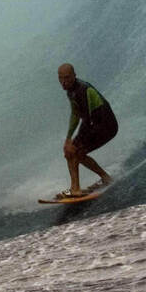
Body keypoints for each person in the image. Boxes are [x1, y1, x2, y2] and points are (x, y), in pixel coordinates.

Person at [57, 62, 116, 199]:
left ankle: (75, 189)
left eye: (67, 78)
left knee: (74, 152)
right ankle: (105, 178)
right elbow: (75, 115)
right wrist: (68, 138)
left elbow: (87, 120)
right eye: (61, 78)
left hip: (106, 126)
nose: (64, 82)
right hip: (95, 126)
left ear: (74, 76)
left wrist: (74, 143)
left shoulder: (82, 90)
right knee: (71, 152)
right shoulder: (71, 91)